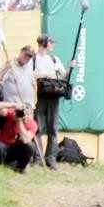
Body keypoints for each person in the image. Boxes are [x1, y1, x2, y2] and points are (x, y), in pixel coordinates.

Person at [32, 33, 72, 169]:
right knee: (37, 128)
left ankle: (51, 159)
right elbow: (31, 74)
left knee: (53, 128)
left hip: (54, 96)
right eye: (51, 42)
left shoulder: (54, 59)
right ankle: (37, 158)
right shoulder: (34, 59)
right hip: (39, 96)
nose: (53, 45)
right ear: (44, 43)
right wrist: (46, 75)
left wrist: (70, 67)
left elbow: (64, 74)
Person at [0, 101, 40, 172]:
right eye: (24, 114)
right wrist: (13, 105)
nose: (25, 116)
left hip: (17, 149)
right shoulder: (13, 114)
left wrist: (19, 122)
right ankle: (4, 163)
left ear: (32, 115)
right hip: (5, 146)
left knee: (31, 146)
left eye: (28, 114)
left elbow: (26, 140)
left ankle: (21, 167)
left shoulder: (33, 124)